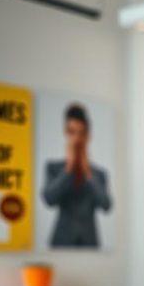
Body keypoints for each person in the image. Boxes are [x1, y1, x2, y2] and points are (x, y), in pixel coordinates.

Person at [42, 103, 112, 248]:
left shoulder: (99, 174)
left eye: (81, 133)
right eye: (72, 132)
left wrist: (88, 173)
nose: (76, 139)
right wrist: (68, 168)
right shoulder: (53, 168)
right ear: (65, 133)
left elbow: (106, 205)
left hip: (90, 244)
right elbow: (49, 200)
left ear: (88, 136)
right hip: (61, 242)